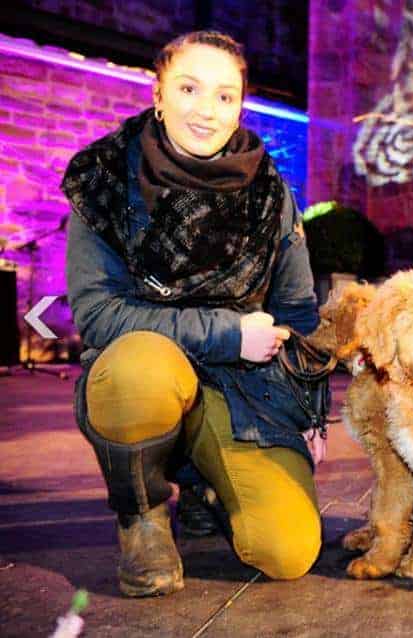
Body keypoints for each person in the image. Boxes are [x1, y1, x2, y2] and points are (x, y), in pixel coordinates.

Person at [61, 31, 327, 597]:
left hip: (243, 388)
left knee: (286, 550)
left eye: (225, 96)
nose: (206, 110)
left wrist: (312, 410)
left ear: (239, 108)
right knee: (139, 370)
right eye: (189, 88)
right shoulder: (103, 182)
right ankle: (144, 512)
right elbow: (101, 315)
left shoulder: (270, 194)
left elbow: (298, 310)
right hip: (153, 369)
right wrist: (229, 333)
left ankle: (206, 482)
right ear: (158, 94)